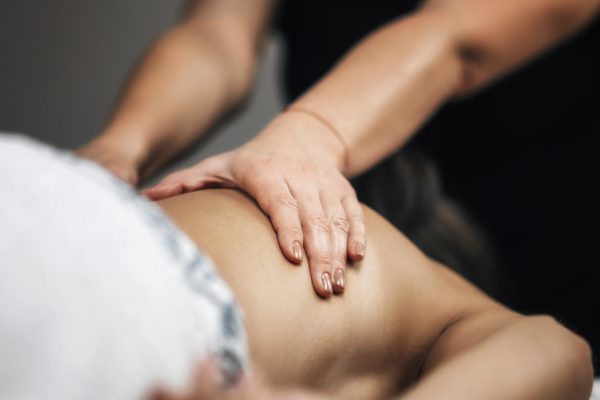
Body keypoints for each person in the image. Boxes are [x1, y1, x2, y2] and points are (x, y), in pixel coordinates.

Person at [78, 0, 600, 368]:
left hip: (554, 256)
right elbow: (217, 35)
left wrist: (306, 138)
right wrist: (122, 146)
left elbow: (453, 36)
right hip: (362, 264)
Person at [0, 134, 594, 399]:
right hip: (140, 293)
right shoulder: (427, 291)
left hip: (49, 187)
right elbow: (563, 355)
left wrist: (118, 146)